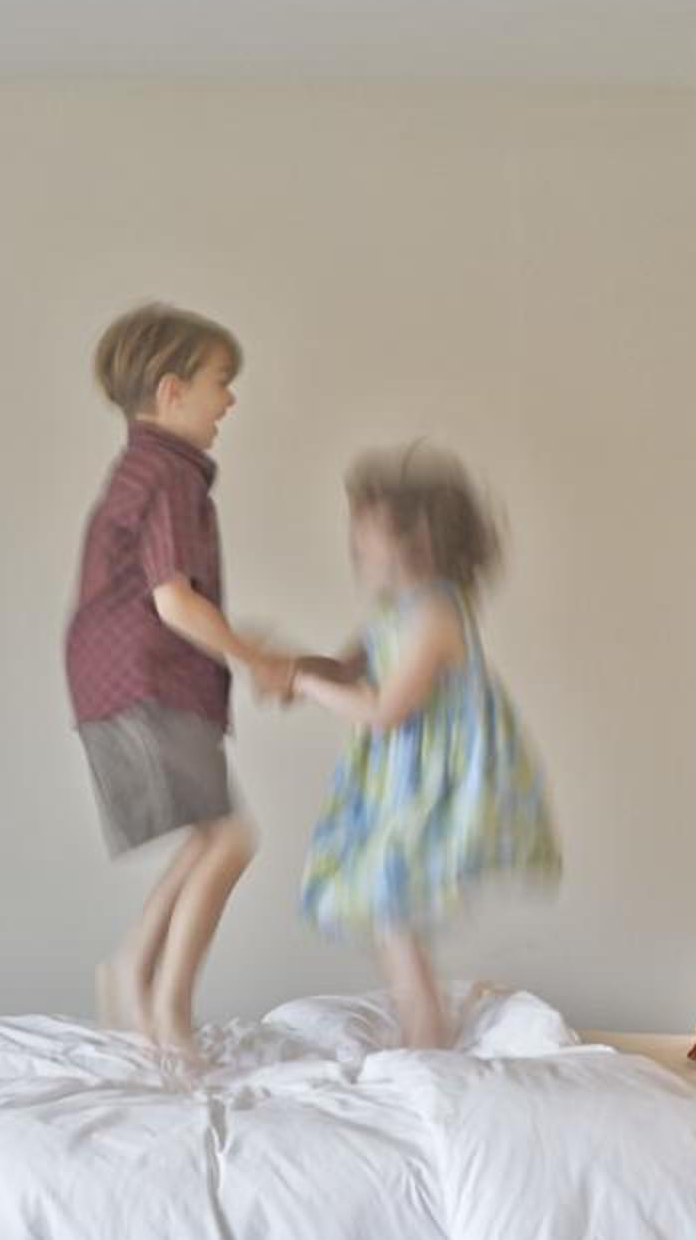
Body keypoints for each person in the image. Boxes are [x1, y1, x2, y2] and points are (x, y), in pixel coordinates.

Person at [65, 303, 297, 1058]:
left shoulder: (143, 469)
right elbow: (173, 601)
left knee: (212, 833)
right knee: (230, 839)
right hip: (146, 677)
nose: (229, 400)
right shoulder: (169, 474)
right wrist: (254, 658)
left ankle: (132, 971)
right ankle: (166, 1006)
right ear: (172, 391)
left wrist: (240, 647)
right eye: (219, 382)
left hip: (122, 677)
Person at [289, 443, 560, 1050]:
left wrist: (306, 686)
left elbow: (385, 710)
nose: (355, 541)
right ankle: (424, 1029)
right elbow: (345, 667)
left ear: (418, 542)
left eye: (368, 529)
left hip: (436, 783)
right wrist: (292, 666)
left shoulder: (436, 616)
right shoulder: (392, 610)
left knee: (388, 905)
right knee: (385, 908)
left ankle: (426, 1038)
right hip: (396, 779)